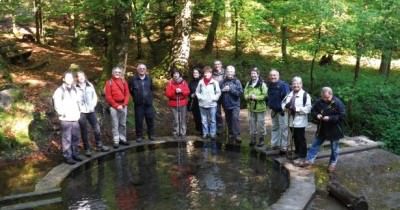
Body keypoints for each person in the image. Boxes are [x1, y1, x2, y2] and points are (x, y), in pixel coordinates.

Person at [299, 87, 346, 173]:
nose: (325, 99)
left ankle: (332, 163)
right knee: (315, 144)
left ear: (331, 95)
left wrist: (330, 118)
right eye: (323, 97)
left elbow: (342, 116)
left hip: (334, 129)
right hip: (322, 128)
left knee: (334, 148)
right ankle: (309, 160)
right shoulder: (319, 102)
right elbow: (313, 111)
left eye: (327, 97)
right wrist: (317, 115)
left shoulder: (338, 103)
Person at [76, 71, 110, 156]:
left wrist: (93, 105)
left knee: (97, 128)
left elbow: (94, 97)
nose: (81, 78)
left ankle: (99, 145)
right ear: (77, 78)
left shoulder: (89, 85)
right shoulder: (74, 87)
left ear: (85, 76)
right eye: (79, 76)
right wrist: (78, 108)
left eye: (82, 76)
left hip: (91, 111)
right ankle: (87, 149)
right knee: (84, 131)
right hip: (81, 112)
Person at [53, 71, 83, 164]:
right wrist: (62, 113)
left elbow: (80, 101)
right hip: (65, 119)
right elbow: (56, 104)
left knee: (76, 137)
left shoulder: (75, 89)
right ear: (63, 79)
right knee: (67, 139)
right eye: (67, 78)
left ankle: (75, 154)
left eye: (71, 78)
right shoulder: (59, 91)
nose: (70, 79)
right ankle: (68, 156)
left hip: (75, 117)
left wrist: (79, 112)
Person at [281, 76, 311, 162]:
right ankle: (297, 152)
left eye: (298, 83)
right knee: (294, 137)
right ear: (291, 85)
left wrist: (297, 110)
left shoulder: (305, 95)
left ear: (301, 84)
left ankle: (302, 155)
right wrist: (285, 108)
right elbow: (283, 103)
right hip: (290, 120)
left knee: (300, 138)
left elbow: (308, 109)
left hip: (300, 121)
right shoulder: (289, 94)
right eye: (294, 84)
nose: (296, 85)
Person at [128, 63, 155, 142]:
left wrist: (149, 98)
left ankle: (151, 134)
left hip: (148, 104)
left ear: (145, 70)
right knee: (139, 120)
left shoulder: (149, 79)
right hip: (138, 104)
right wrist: (135, 97)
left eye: (143, 68)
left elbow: (152, 89)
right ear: (137, 70)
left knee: (150, 119)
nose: (142, 69)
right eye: (140, 68)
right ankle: (139, 136)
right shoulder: (133, 79)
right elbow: (130, 90)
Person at [104, 66, 130, 148]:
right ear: (112, 73)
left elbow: (127, 94)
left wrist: (124, 104)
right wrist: (116, 105)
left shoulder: (123, 81)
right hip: (113, 106)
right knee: (115, 124)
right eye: (116, 72)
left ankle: (122, 138)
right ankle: (116, 140)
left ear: (121, 73)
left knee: (123, 124)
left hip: (123, 106)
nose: (117, 73)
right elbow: (108, 96)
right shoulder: (109, 82)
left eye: (119, 72)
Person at [244, 67, 268, 147]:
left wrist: (256, 97)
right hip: (251, 108)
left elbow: (265, 95)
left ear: (258, 74)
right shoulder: (248, 83)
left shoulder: (262, 84)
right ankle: (253, 139)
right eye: (252, 73)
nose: (253, 75)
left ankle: (261, 139)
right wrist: (248, 96)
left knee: (261, 124)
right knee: (252, 124)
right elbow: (245, 94)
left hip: (260, 108)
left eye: (255, 73)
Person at [196, 66, 221, 140]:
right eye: (205, 73)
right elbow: (197, 92)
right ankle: (205, 133)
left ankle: (212, 134)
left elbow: (218, 92)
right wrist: (200, 97)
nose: (206, 74)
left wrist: (214, 98)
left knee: (212, 120)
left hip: (212, 104)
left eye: (208, 73)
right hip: (202, 104)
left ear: (211, 73)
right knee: (204, 120)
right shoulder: (200, 82)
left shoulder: (215, 82)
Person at [267, 69, 290, 151]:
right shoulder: (270, 85)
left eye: (274, 75)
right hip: (274, 110)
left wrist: (283, 109)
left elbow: (287, 98)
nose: (273, 77)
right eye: (271, 75)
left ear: (278, 76)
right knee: (275, 128)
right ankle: (274, 144)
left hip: (282, 111)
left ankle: (284, 146)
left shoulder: (283, 85)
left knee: (284, 129)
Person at [220, 65, 243, 143]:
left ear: (234, 73)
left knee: (235, 118)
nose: (230, 73)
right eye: (228, 71)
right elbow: (218, 92)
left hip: (235, 104)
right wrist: (222, 90)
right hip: (226, 105)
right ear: (226, 72)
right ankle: (230, 134)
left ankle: (237, 135)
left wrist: (231, 89)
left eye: (231, 72)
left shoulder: (237, 81)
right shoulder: (222, 82)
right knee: (228, 120)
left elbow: (240, 93)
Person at [165, 69, 190, 138]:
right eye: (174, 74)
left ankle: (183, 132)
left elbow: (187, 92)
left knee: (182, 119)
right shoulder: (170, 83)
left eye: (177, 73)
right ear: (172, 75)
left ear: (179, 74)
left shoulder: (184, 82)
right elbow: (167, 94)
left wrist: (181, 91)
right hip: (173, 103)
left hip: (182, 103)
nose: (175, 75)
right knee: (175, 119)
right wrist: (174, 91)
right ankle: (175, 132)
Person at [188, 68, 203, 135]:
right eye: (194, 73)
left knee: (201, 117)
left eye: (196, 73)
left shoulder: (202, 81)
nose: (195, 74)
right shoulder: (191, 82)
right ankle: (198, 130)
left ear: (199, 74)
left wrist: (198, 94)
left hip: (202, 102)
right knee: (196, 117)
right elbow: (188, 92)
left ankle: (202, 131)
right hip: (194, 102)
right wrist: (190, 95)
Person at [212, 60, 225, 134]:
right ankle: (219, 126)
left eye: (218, 64)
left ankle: (228, 128)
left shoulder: (225, 73)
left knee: (227, 111)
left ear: (221, 65)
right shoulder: (212, 74)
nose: (217, 66)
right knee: (217, 112)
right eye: (215, 64)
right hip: (216, 95)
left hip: (224, 94)